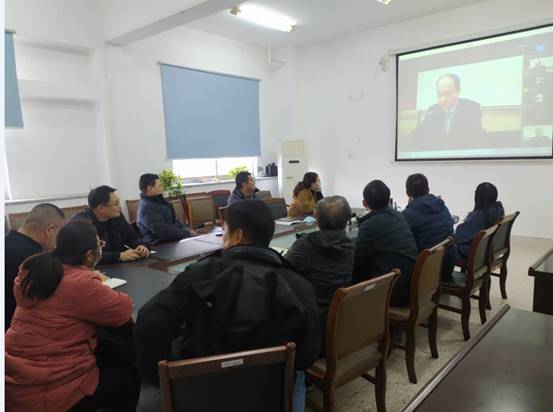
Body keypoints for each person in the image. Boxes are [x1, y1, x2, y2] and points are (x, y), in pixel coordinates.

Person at [135, 200, 320, 412]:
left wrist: (163, 375)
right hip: (271, 391)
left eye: (224, 230)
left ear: (238, 235)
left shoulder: (200, 275)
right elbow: (308, 353)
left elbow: (150, 321)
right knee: (297, 373)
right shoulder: (298, 283)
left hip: (205, 390)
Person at [5, 220, 140, 412]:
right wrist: (96, 281)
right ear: (89, 255)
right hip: (47, 390)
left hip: (14, 376)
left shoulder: (33, 269)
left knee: (109, 351)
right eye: (99, 246)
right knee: (127, 377)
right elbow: (123, 308)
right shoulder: (81, 283)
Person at [285, 195, 354, 350]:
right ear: (347, 220)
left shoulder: (304, 246)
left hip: (312, 331)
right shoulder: (350, 245)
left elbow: (284, 274)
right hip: (342, 322)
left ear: (316, 217)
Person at [353, 180, 418, 307]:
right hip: (410, 283)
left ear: (364, 203)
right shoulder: (399, 216)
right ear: (389, 199)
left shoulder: (369, 225)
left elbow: (357, 259)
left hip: (394, 291)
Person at [5, 203, 65, 330]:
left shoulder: (7, 239)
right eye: (60, 234)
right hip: (17, 326)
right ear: (50, 230)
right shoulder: (33, 258)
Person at [72, 185, 149, 264]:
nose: (120, 207)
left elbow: (131, 237)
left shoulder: (116, 216)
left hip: (118, 264)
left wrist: (141, 245)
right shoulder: (81, 224)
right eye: (116, 204)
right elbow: (87, 256)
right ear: (101, 208)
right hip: (96, 268)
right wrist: (119, 256)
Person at [402, 174, 456, 281]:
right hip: (448, 265)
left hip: (426, 271)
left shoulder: (409, 214)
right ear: (428, 189)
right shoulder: (442, 206)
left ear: (407, 193)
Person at [414, 74, 483, 149]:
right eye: (439, 95)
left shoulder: (471, 108)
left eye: (447, 94)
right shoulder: (433, 110)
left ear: (458, 91)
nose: (443, 99)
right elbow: (418, 134)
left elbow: (471, 140)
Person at [137, 173, 193, 244]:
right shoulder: (146, 208)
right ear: (149, 188)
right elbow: (164, 232)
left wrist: (186, 230)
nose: (162, 188)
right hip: (159, 244)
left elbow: (174, 221)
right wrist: (187, 233)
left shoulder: (160, 202)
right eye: (159, 186)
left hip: (172, 240)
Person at [455, 182, 504, 261]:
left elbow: (459, 238)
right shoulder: (498, 210)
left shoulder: (478, 216)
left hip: (473, 255)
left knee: (444, 250)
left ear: (478, 197)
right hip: (487, 252)